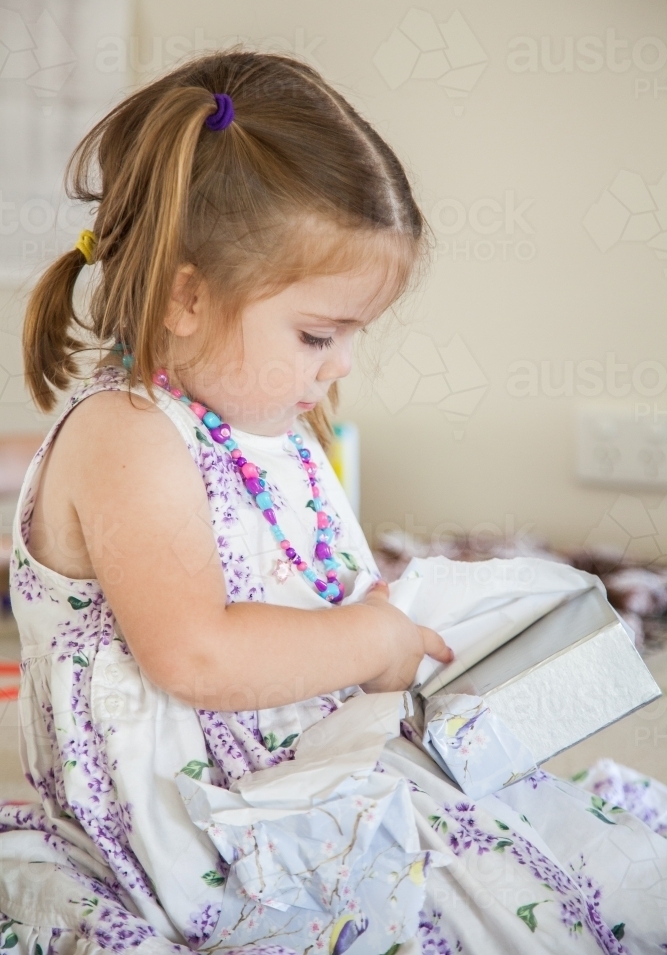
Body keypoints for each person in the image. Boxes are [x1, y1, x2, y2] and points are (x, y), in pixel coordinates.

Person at [1, 49, 666, 955]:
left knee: (555, 854)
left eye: (356, 333)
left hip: (298, 759)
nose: (343, 362)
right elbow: (194, 653)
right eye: (319, 333)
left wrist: (403, 625)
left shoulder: (260, 416)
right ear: (185, 297)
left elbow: (295, 585)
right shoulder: (127, 438)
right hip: (195, 830)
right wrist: (366, 642)